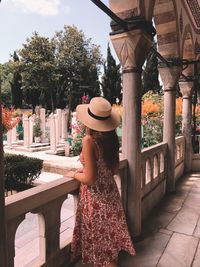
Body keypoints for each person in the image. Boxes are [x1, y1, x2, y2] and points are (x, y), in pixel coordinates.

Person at [67, 97, 136, 267]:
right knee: (109, 249)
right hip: (111, 197)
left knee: (101, 252)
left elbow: (90, 179)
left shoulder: (88, 141)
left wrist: (75, 174)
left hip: (97, 201)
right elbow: (111, 169)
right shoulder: (111, 139)